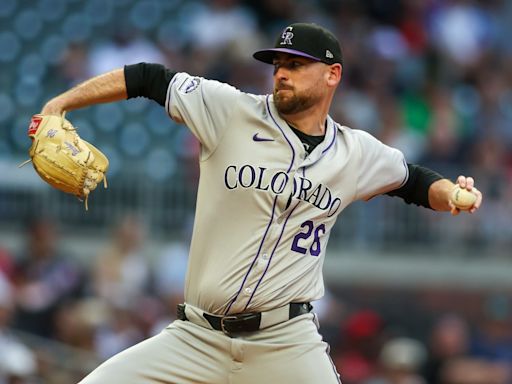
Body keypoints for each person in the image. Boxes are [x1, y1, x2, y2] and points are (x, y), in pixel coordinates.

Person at [39, 23, 482, 384]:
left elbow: (414, 181)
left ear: (333, 75)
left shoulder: (356, 152)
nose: (281, 73)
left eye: (295, 64)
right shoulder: (230, 111)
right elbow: (148, 77)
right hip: (196, 338)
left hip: (285, 342)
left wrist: (455, 196)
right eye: (277, 65)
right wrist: (61, 104)